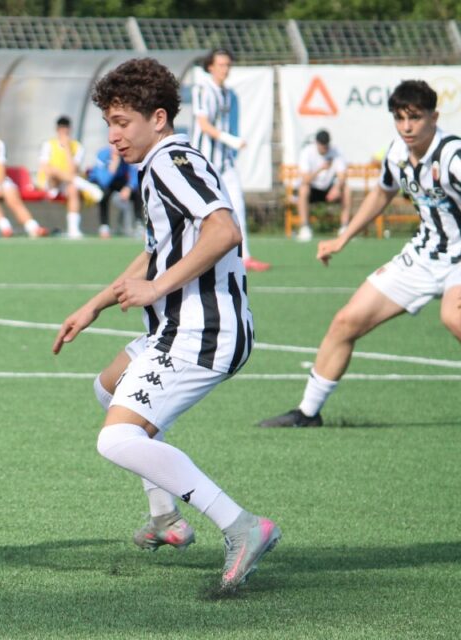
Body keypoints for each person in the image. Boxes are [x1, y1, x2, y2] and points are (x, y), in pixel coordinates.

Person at [54, 57, 279, 593]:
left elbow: (224, 232)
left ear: (158, 118)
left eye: (122, 122)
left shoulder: (170, 161)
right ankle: (165, 518)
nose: (113, 136)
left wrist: (155, 289)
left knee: (115, 441)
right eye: (109, 123)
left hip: (201, 333)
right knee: (107, 387)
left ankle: (242, 526)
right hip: (178, 327)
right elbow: (157, 251)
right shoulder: (161, 164)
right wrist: (96, 304)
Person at [259, 80, 461, 428]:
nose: (407, 126)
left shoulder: (452, 156)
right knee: (345, 321)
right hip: (424, 256)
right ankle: (307, 413)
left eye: (414, 117)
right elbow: (381, 194)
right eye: (399, 118)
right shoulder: (397, 153)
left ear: (434, 116)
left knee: (453, 316)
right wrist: (343, 238)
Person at [192, 48, 270, 271]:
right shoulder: (203, 89)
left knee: (237, 206)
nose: (225, 69)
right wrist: (231, 140)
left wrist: (231, 147)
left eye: (228, 65)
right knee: (198, 211)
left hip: (224, 162)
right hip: (204, 162)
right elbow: (203, 124)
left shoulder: (228, 93)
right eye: (221, 65)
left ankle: (244, 256)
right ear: (210, 67)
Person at [35, 116, 104, 239]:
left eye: (66, 129)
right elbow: (46, 168)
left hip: (67, 183)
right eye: (61, 129)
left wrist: (67, 148)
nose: (63, 132)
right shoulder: (48, 145)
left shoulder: (77, 147)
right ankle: (86, 186)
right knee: (53, 170)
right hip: (51, 182)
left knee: (73, 188)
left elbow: (72, 170)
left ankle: (73, 230)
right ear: (57, 129)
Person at [294, 129, 352, 242]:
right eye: (322, 144)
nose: (324, 147)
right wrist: (321, 168)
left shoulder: (336, 152)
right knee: (303, 189)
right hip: (313, 189)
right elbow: (305, 179)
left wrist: (337, 188)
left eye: (326, 144)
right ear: (316, 143)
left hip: (329, 190)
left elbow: (342, 175)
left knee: (346, 189)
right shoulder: (307, 152)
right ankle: (305, 227)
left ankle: (345, 228)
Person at [87, 143, 142, 239]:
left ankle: (139, 225)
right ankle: (104, 226)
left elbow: (134, 173)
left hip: (118, 180)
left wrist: (129, 187)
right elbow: (104, 181)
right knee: (103, 194)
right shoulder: (102, 154)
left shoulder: (127, 154)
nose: (117, 147)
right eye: (113, 144)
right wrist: (114, 163)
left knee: (136, 192)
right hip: (103, 181)